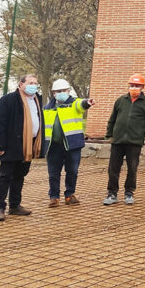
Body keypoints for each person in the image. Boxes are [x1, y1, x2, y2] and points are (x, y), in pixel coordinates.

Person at [0, 74, 43, 221]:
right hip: (11, 145)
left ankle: (15, 205)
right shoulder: (8, 100)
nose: (33, 85)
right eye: (30, 82)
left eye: (35, 83)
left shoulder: (37, 100)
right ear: (21, 84)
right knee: (5, 176)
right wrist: (0, 145)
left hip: (29, 145)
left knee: (20, 176)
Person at [104, 73, 145, 205]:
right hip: (118, 141)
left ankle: (129, 193)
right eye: (132, 85)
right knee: (113, 169)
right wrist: (109, 135)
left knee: (132, 168)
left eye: (137, 86)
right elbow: (112, 119)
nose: (134, 88)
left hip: (134, 142)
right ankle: (112, 194)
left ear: (142, 87)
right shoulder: (121, 101)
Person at [43, 78, 93, 207]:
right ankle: (54, 197)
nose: (61, 93)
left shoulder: (74, 103)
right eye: (58, 91)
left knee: (72, 171)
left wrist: (88, 102)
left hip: (72, 144)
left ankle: (69, 195)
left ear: (68, 91)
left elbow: (82, 104)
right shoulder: (47, 108)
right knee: (53, 173)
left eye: (63, 91)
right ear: (54, 93)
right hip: (53, 146)